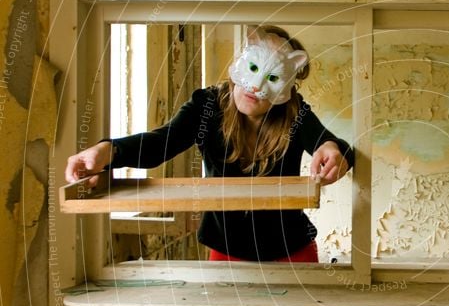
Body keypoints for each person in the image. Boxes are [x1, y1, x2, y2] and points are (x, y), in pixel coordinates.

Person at [64, 25, 354, 263]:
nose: (255, 87)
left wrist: (333, 150)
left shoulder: (294, 112)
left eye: (272, 77)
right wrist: (108, 150)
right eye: (253, 67)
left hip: (291, 248)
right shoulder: (207, 106)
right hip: (227, 248)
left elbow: (335, 146)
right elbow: (161, 143)